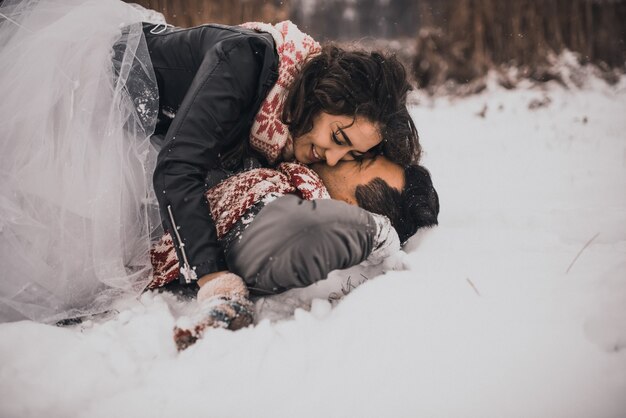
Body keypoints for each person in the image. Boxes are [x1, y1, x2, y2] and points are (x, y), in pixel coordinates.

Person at [0, 0, 422, 324]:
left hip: (133, 141)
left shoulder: (284, 125)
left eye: (348, 155)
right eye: (338, 137)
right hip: (79, 102)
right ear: (325, 94)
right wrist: (210, 276)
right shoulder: (247, 60)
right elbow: (177, 166)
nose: (329, 156)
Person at [146, 156, 439, 349]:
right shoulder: (289, 181)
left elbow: (307, 230)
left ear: (352, 207)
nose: (345, 155)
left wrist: (376, 232)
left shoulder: (286, 215)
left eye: (360, 162)